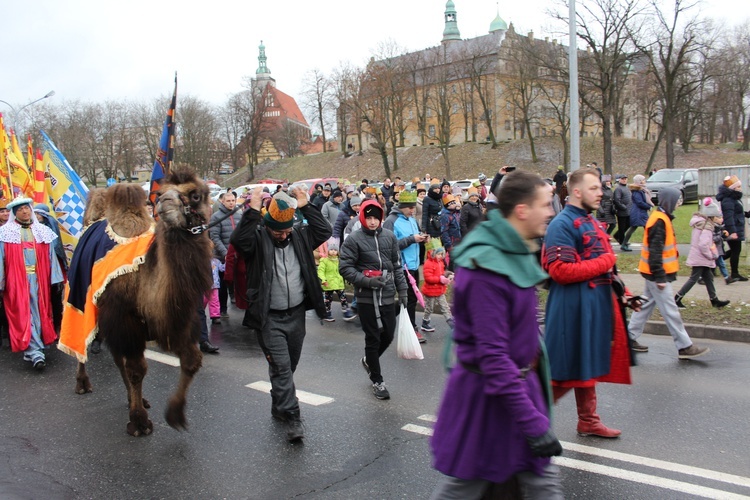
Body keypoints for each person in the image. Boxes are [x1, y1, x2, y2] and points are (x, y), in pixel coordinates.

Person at [430, 171, 563, 500]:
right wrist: (532, 423)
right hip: (487, 403)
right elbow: (493, 357)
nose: (551, 212)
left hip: (515, 393)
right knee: (463, 488)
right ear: (521, 210)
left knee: (540, 481)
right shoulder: (486, 269)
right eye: (545, 205)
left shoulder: (513, 251)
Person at [230, 188, 331, 442]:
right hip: (269, 317)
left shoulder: (299, 236)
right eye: (278, 231)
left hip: (296, 314)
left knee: (289, 364)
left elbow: (324, 231)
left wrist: (307, 206)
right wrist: (252, 210)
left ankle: (279, 403)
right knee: (282, 367)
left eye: (286, 230)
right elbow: (238, 240)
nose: (283, 235)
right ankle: (293, 417)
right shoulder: (257, 239)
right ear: (267, 227)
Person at [543, 168, 633, 439]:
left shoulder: (590, 221)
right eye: (594, 188)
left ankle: (589, 421)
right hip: (571, 308)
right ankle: (521, 419)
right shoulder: (562, 224)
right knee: (564, 372)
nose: (601, 193)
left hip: (593, 305)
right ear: (577, 192)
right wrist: (605, 262)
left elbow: (606, 268)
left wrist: (624, 291)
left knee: (585, 365)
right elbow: (560, 271)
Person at [627, 187, 711, 359]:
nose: (679, 203)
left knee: (645, 306)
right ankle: (684, 346)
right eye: (677, 200)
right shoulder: (659, 221)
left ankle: (628, 338)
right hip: (657, 275)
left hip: (654, 273)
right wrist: (659, 277)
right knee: (671, 311)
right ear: (669, 201)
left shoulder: (661, 218)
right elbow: (655, 252)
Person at [339, 199, 408, 401]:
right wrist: (367, 281)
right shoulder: (354, 239)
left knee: (388, 334)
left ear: (381, 218)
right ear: (362, 217)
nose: (372, 222)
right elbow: (345, 268)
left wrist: (402, 290)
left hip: (387, 295)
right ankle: (377, 381)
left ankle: (369, 360)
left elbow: (396, 266)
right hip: (366, 297)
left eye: (375, 218)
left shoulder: (390, 237)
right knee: (373, 338)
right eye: (368, 217)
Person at [0, 197, 64, 370]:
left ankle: (36, 347)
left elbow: (51, 257)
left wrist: (56, 279)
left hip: (39, 280)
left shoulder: (42, 231)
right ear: (14, 213)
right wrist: (1, 282)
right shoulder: (5, 233)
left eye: (27, 208)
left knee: (40, 311)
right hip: (16, 281)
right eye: (20, 209)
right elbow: (1, 260)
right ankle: (35, 351)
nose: (25, 211)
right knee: (24, 313)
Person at [383, 190, 428, 342]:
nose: (412, 210)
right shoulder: (391, 220)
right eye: (410, 207)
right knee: (409, 299)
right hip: (401, 267)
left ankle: (385, 318)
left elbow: (414, 238)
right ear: (402, 206)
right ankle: (412, 330)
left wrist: (421, 239)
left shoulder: (411, 220)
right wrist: (411, 239)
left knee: (410, 298)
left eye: (414, 207)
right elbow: (388, 246)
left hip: (413, 265)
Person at [674, 200, 730, 309]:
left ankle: (714, 300)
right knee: (693, 279)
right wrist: (711, 255)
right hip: (701, 257)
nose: (719, 219)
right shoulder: (707, 227)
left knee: (708, 277)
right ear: (712, 217)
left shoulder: (700, 224)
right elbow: (704, 245)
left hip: (699, 256)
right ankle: (677, 297)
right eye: (717, 217)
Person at [209, 190, 242, 317]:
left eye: (233, 200)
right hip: (222, 256)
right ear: (222, 202)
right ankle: (222, 309)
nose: (231, 203)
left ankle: (240, 301)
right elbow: (215, 237)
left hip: (238, 254)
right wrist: (226, 253)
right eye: (228, 201)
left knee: (239, 279)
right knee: (223, 283)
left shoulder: (239, 215)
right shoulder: (216, 217)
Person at [716, 175, 749, 282]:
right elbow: (728, 216)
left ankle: (714, 265)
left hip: (736, 226)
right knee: (735, 250)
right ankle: (715, 265)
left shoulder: (733, 197)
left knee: (735, 250)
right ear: (733, 188)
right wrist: (733, 231)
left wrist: (746, 214)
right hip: (733, 228)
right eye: (738, 186)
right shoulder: (728, 199)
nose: (740, 188)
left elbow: (735, 212)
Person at [419, 239, 454, 334]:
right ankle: (425, 323)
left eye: (442, 254)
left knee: (445, 307)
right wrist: (440, 279)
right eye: (439, 254)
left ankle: (452, 324)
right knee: (429, 308)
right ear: (433, 253)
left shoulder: (440, 262)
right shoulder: (428, 263)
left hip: (439, 290)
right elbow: (428, 278)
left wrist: (447, 275)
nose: (441, 256)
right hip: (430, 291)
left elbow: (441, 273)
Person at [317, 238, 354, 321]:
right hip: (328, 283)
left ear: (338, 252)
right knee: (328, 300)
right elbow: (321, 271)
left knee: (343, 298)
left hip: (339, 283)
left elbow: (343, 270)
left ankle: (346, 312)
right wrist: (323, 280)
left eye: (335, 250)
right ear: (328, 251)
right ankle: (327, 313)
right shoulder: (324, 261)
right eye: (331, 250)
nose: (333, 251)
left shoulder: (339, 261)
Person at [620, 174, 652, 251]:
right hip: (638, 212)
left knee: (647, 227)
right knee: (635, 227)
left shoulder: (641, 190)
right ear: (639, 181)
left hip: (641, 212)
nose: (644, 181)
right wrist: (648, 206)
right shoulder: (637, 191)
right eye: (643, 180)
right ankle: (624, 244)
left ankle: (650, 244)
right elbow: (639, 202)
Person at [440, 194, 462, 270]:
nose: (454, 204)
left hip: (457, 240)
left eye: (454, 202)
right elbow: (444, 231)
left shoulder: (454, 212)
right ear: (447, 205)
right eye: (451, 203)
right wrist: (448, 244)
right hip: (451, 241)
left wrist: (458, 210)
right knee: (453, 260)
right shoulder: (445, 215)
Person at [613, 174, 632, 246]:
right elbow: (617, 200)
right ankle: (622, 241)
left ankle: (617, 235)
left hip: (628, 210)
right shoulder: (618, 189)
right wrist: (623, 207)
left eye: (625, 179)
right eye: (623, 179)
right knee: (622, 227)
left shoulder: (627, 188)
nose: (624, 180)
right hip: (622, 211)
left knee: (628, 224)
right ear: (619, 180)